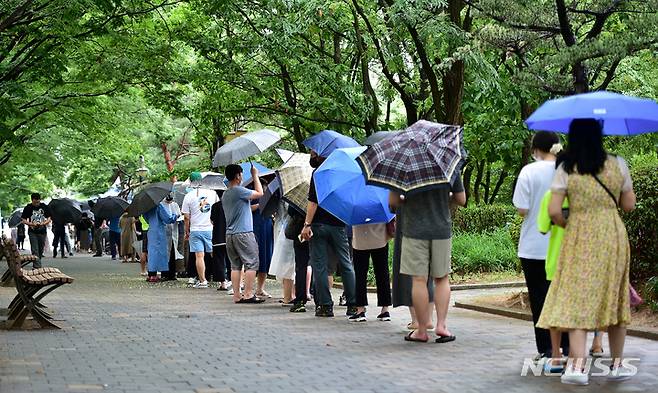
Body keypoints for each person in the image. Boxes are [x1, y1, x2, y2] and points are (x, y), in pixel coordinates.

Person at [538, 119, 636, 386]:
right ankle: (616, 365)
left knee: (578, 297)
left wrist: (569, 223)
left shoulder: (567, 167)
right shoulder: (618, 163)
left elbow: (554, 211)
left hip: (580, 234)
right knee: (615, 295)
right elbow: (629, 205)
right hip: (612, 235)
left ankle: (577, 368)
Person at [512, 131, 568, 362]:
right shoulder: (567, 169)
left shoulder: (528, 171)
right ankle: (567, 345)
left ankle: (546, 348)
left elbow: (522, 209)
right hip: (563, 244)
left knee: (539, 298)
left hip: (533, 246)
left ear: (536, 149)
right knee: (564, 297)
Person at [392, 171, 466, 343]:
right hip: (441, 229)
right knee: (442, 278)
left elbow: (393, 202)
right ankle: (441, 326)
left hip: (414, 230)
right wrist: (444, 200)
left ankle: (422, 330)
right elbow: (461, 199)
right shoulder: (447, 164)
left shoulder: (404, 166)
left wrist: (406, 200)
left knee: (419, 280)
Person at [300, 150, 357, 318]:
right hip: (339, 224)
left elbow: (313, 202)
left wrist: (307, 224)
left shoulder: (318, 173)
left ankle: (325, 306)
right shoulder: (343, 173)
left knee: (320, 265)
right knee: (346, 264)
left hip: (318, 224)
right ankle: (353, 304)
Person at [222, 164, 264, 303]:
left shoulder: (226, 194)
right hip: (244, 233)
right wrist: (255, 175)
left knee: (235, 266)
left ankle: (236, 295)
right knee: (252, 263)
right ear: (237, 176)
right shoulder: (239, 191)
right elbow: (259, 193)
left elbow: (244, 208)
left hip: (230, 234)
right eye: (241, 174)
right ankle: (248, 294)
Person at [182, 172, 219, 289]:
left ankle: (203, 281)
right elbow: (218, 210)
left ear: (191, 182)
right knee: (215, 254)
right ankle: (221, 279)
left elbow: (186, 217)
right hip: (210, 228)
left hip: (195, 229)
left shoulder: (188, 196)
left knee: (199, 256)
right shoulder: (213, 194)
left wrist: (187, 231)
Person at [350, 223, 392, 322]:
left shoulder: (356, 206)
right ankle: (385, 309)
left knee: (360, 275)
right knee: (382, 273)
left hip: (360, 239)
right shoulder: (380, 206)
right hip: (380, 237)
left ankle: (360, 310)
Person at [143, 201, 179, 282]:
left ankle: (151, 273)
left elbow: (146, 219)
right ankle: (155, 274)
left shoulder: (146, 208)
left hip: (151, 230)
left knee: (151, 252)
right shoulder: (158, 206)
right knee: (160, 252)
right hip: (159, 231)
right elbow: (167, 219)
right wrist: (175, 215)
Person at [268, 201, 296, 304]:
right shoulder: (288, 198)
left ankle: (288, 295)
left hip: (280, 228)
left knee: (286, 264)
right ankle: (288, 296)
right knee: (288, 264)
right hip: (287, 230)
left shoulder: (278, 196)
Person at [251, 179, 274, 298]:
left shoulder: (270, 195)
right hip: (255, 225)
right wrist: (260, 205)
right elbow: (247, 209)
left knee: (265, 257)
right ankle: (247, 287)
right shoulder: (250, 194)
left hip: (267, 225)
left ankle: (260, 288)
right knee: (253, 257)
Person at [288, 205, 312, 313]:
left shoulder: (298, 194)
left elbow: (291, 211)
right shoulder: (321, 191)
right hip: (318, 229)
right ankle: (323, 303)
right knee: (320, 265)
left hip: (300, 230)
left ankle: (300, 301)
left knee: (301, 266)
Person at [21, 193, 52, 268]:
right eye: (35, 202)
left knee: (40, 250)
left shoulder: (44, 206)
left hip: (42, 231)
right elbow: (23, 219)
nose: (37, 204)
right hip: (32, 232)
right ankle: (37, 267)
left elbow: (49, 218)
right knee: (35, 249)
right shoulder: (28, 208)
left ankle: (37, 263)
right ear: (32, 200)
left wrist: (44, 223)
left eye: (38, 202)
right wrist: (30, 224)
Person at [210, 190, 231, 290]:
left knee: (218, 260)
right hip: (229, 235)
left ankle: (222, 283)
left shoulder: (214, 206)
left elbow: (212, 221)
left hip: (217, 237)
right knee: (231, 260)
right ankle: (233, 281)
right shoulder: (231, 205)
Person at [162, 195, 182, 281]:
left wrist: (178, 217)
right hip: (164, 231)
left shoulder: (175, 205)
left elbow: (179, 216)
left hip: (173, 231)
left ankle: (172, 273)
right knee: (165, 253)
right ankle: (164, 273)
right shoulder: (161, 205)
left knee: (173, 252)